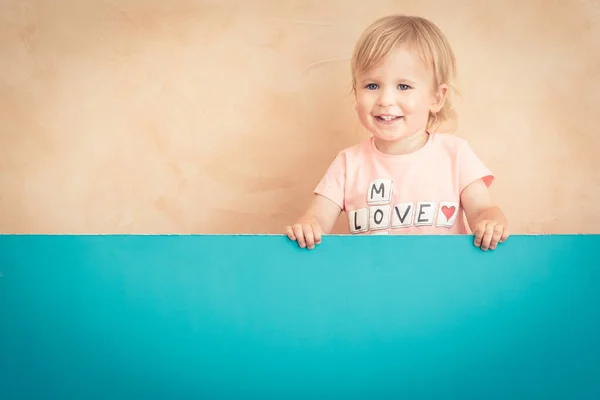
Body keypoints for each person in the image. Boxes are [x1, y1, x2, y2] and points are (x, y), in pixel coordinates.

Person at [285, 15, 509, 251]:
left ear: (436, 97)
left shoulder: (455, 155)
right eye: (372, 86)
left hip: (443, 280)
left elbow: (483, 210)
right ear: (356, 94)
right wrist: (308, 226)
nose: (385, 100)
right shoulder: (348, 163)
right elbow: (317, 218)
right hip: (375, 280)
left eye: (404, 86)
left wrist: (490, 222)